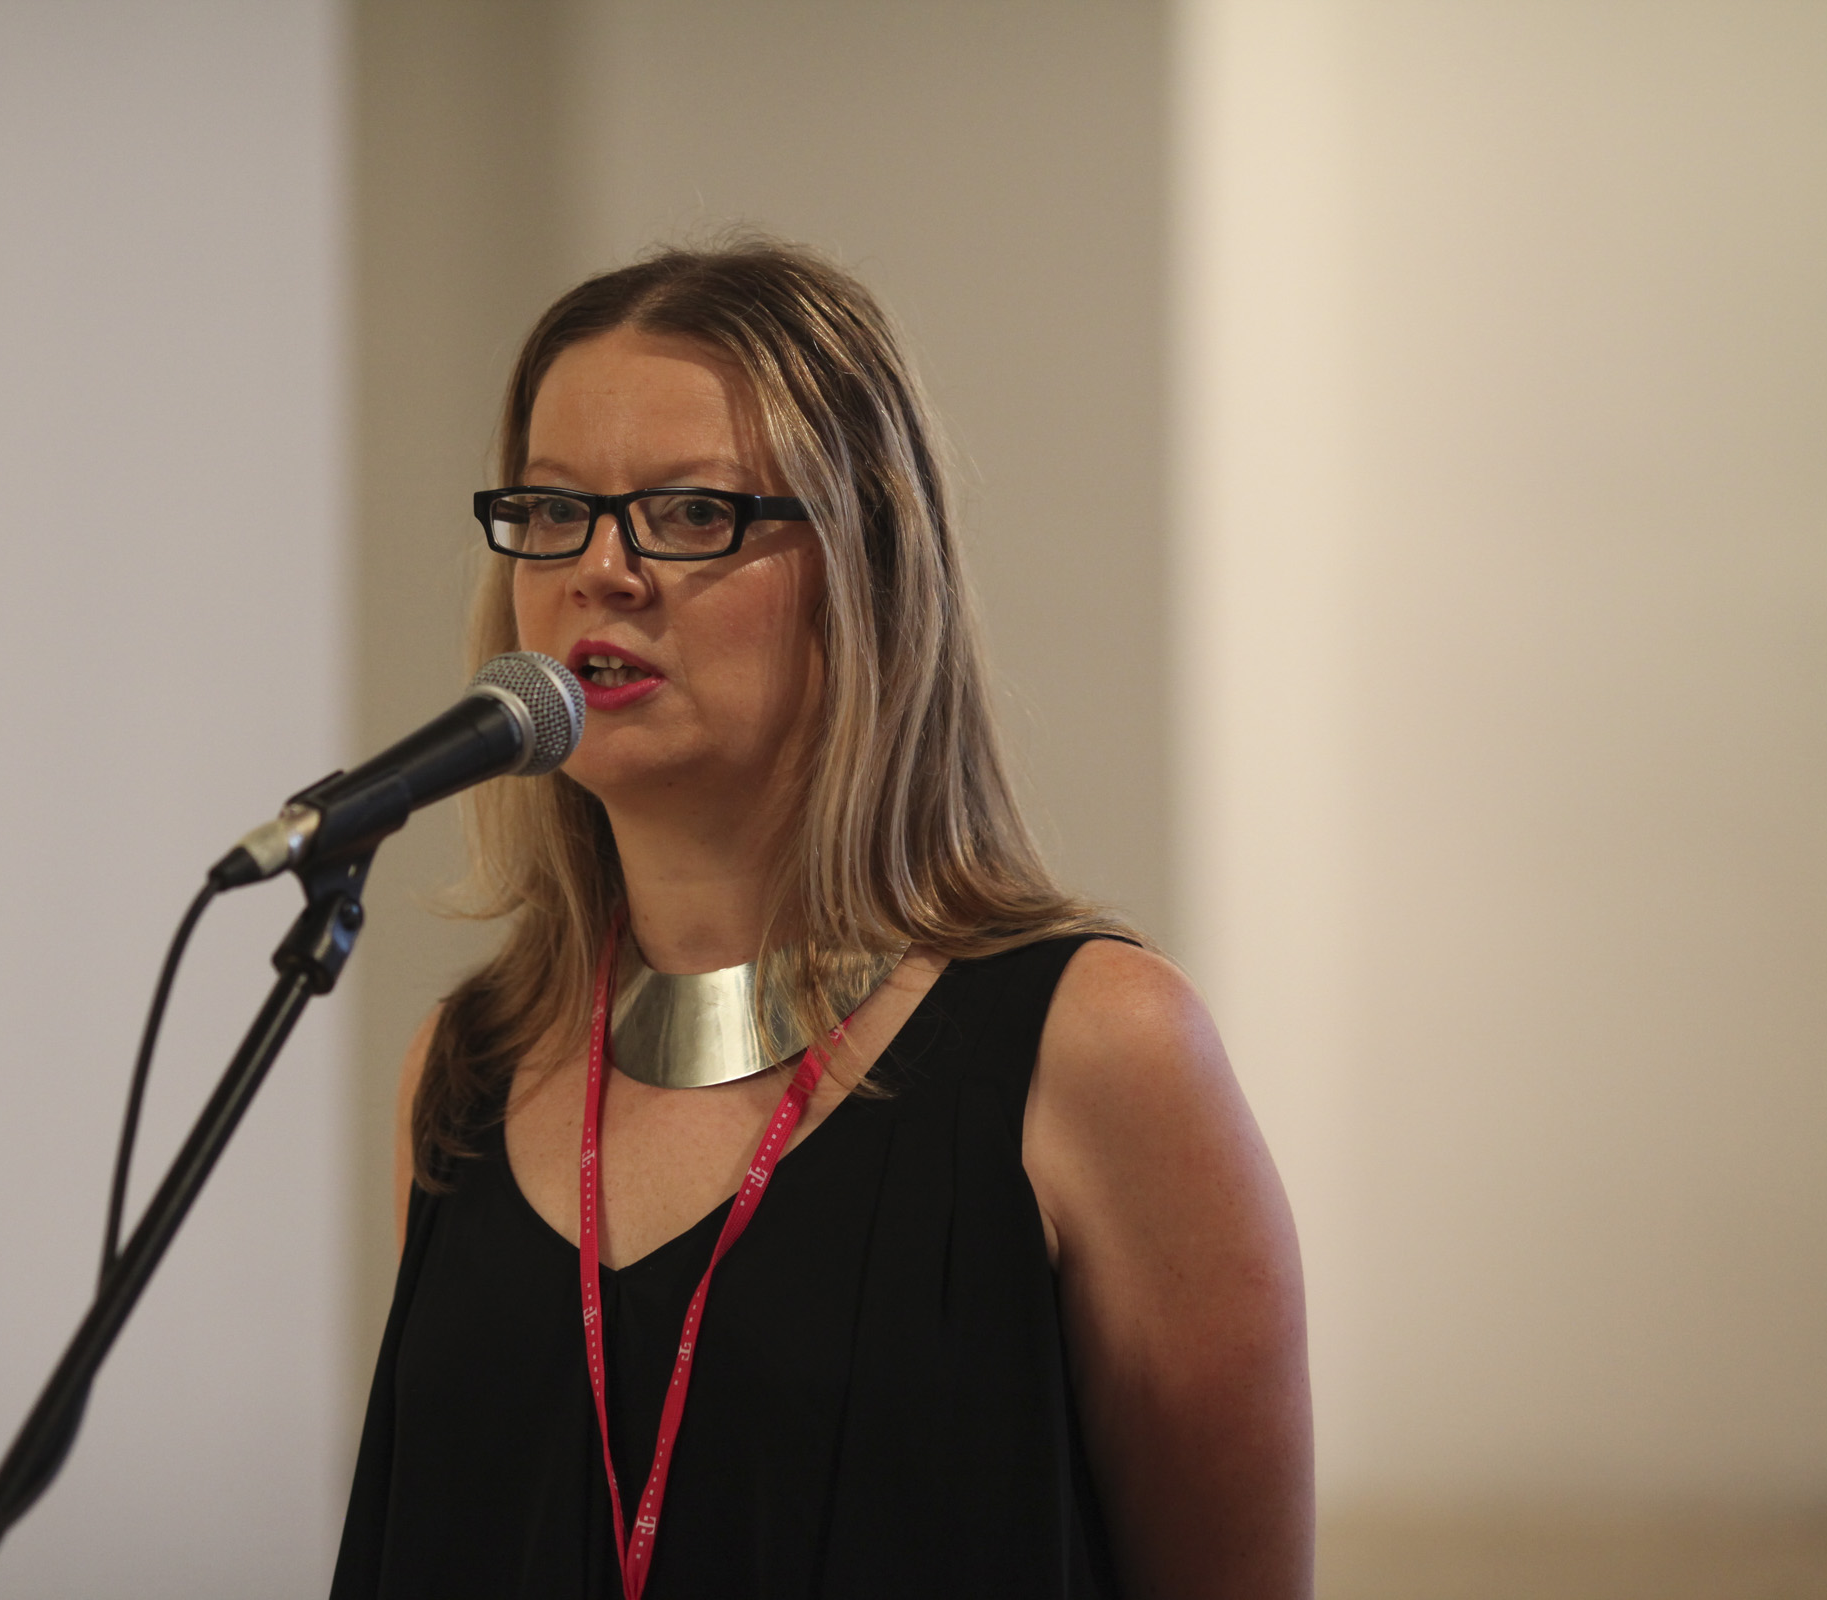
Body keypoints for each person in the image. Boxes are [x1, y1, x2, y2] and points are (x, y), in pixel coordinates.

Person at [332, 242, 1310, 1599]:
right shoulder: (466, 1073)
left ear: (871, 574)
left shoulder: (1100, 1051)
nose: (602, 570)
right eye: (553, 510)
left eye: (690, 513)